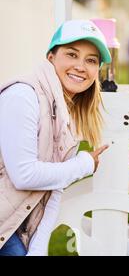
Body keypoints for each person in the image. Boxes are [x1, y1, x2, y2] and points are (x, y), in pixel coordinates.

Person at [0, 19, 111, 256]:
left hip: (15, 226)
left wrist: (38, 250)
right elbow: (25, 176)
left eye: (91, 60)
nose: (81, 66)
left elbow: (54, 190)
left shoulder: (65, 112)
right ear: (51, 58)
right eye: (72, 54)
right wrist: (83, 164)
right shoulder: (23, 96)